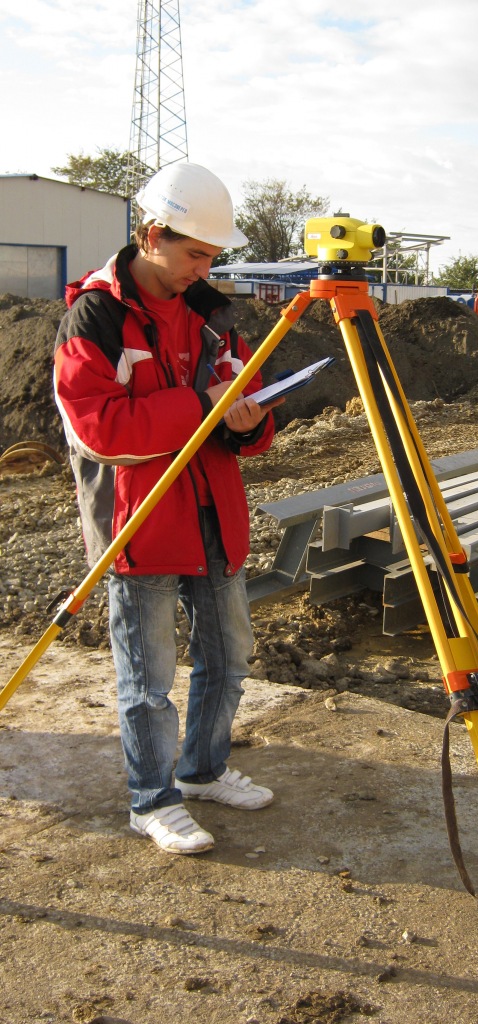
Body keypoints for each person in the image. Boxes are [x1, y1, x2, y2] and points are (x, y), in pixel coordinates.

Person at [54, 162, 284, 855]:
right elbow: (101, 432)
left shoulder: (213, 314)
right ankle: (151, 800)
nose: (204, 270)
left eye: (213, 256)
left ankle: (202, 771)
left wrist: (246, 421)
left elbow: (251, 414)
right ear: (152, 235)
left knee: (230, 657)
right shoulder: (94, 317)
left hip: (214, 513)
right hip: (142, 523)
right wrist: (203, 405)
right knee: (148, 680)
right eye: (195, 254)